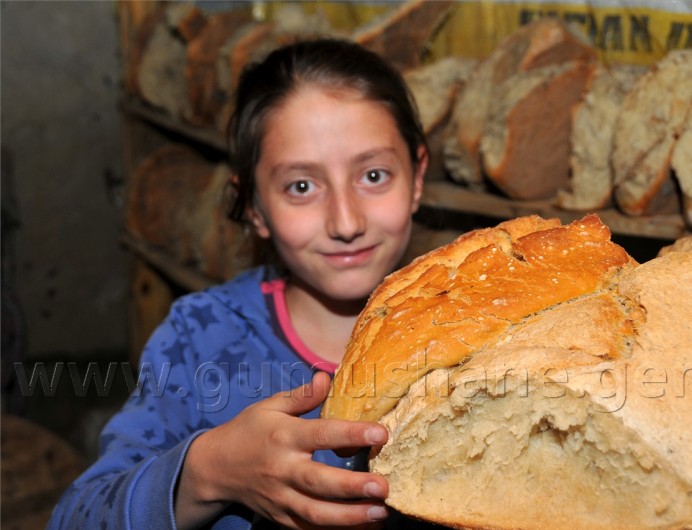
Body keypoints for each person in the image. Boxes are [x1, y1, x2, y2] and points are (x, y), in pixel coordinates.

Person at [47, 37, 428, 530]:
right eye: (301, 186)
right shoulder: (200, 338)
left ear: (417, 177)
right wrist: (206, 472)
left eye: (374, 175)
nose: (346, 220)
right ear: (252, 206)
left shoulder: (469, 332)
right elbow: (73, 519)